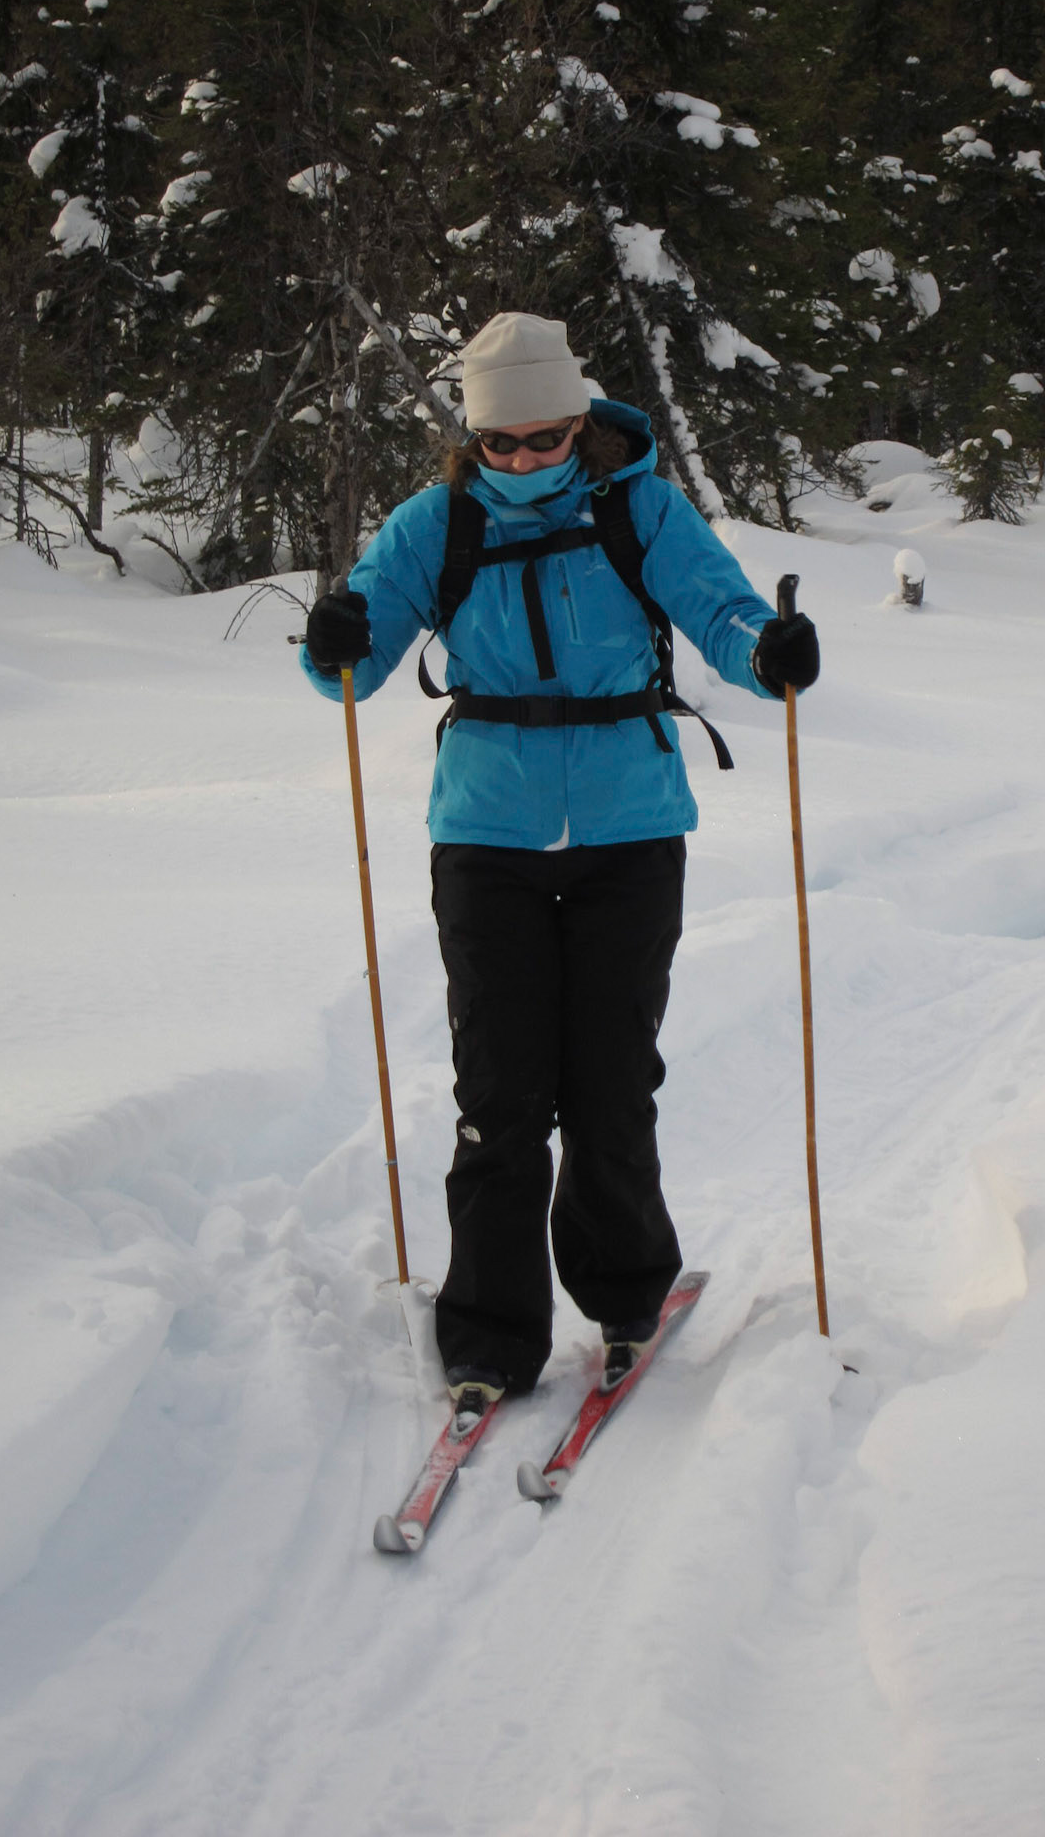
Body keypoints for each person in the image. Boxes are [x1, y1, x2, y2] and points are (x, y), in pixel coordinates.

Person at [302, 311, 818, 1418]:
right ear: (475, 440)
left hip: (630, 831)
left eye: (548, 437)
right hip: (487, 835)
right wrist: (333, 640)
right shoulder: (435, 525)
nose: (529, 459)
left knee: (610, 1084)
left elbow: (723, 614)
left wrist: (769, 653)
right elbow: (353, 658)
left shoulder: (640, 507)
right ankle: (490, 1332)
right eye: (505, 442)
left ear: (579, 423)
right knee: (500, 1096)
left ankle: (627, 1289)